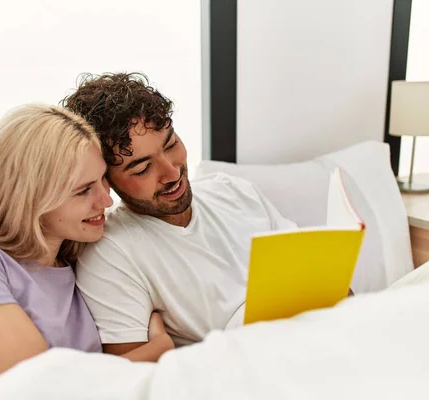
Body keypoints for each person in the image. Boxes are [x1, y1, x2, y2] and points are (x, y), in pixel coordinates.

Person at [0, 104, 174, 400]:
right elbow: (38, 388)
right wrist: (158, 350)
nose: (106, 201)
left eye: (103, 180)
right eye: (83, 190)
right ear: (32, 197)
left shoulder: (79, 265)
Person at [61, 72, 297, 355]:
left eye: (171, 144)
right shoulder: (111, 252)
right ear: (105, 180)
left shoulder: (235, 192)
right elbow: (129, 378)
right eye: (141, 169)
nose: (172, 172)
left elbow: (328, 281)